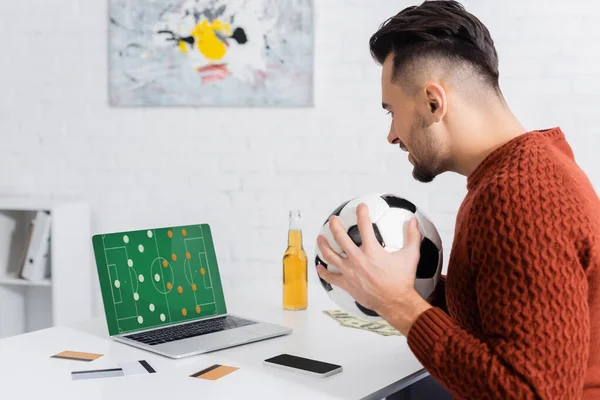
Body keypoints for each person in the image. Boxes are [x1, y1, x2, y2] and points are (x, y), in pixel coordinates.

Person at [316, 1, 600, 399]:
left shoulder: (519, 198)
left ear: (434, 103)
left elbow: (535, 393)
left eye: (391, 111)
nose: (392, 135)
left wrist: (398, 303)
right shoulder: (520, 172)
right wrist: (411, 286)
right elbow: (504, 311)